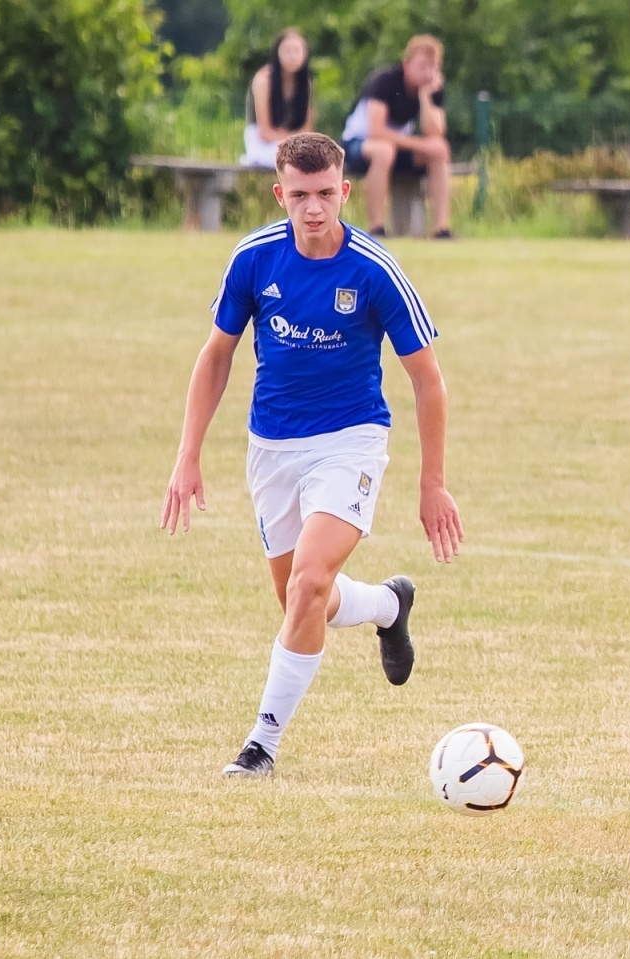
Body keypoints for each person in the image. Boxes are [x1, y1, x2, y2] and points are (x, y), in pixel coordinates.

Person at [160, 132, 463, 779]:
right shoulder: (254, 260)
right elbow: (217, 356)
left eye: (326, 194)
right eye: (300, 196)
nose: (314, 208)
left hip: (350, 441)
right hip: (272, 448)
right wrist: (187, 454)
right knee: (303, 601)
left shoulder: (374, 270)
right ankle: (387, 605)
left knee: (308, 583)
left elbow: (427, 378)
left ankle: (260, 746)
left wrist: (432, 483)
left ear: (345, 192)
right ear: (280, 195)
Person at [339, 35, 453, 239]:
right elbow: (376, 131)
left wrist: (426, 97)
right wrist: (419, 144)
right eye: (422, 66)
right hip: (359, 144)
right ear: (407, 64)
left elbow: (436, 132)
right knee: (384, 151)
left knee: (439, 149)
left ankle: (441, 229)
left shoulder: (431, 88)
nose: (428, 73)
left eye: (433, 67)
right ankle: (377, 228)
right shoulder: (385, 80)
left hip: (396, 148)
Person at [241, 28, 315, 169]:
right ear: (277, 53)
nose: (292, 56)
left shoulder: (306, 83)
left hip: (293, 142)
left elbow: (307, 129)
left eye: (297, 51)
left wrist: (294, 141)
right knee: (288, 160)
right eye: (287, 51)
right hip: (262, 141)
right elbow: (264, 131)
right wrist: (291, 140)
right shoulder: (264, 79)